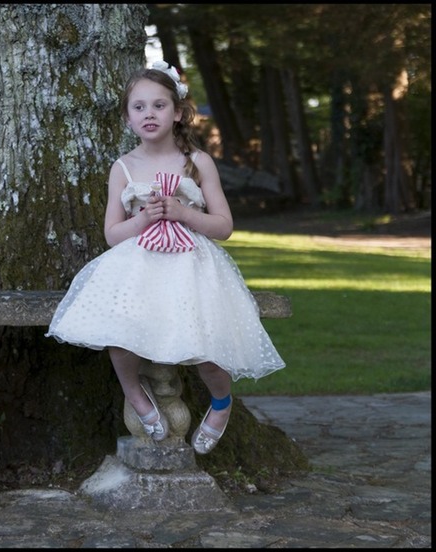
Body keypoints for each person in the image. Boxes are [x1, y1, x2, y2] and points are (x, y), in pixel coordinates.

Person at [45, 60, 286, 454]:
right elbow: (112, 234)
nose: (149, 114)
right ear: (128, 118)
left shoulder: (198, 162)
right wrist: (143, 219)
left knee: (206, 350)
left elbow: (224, 225)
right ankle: (135, 394)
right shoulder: (123, 168)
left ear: (177, 113)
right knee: (121, 337)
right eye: (139, 107)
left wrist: (184, 214)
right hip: (137, 268)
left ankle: (221, 403)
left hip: (192, 268)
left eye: (159, 105)